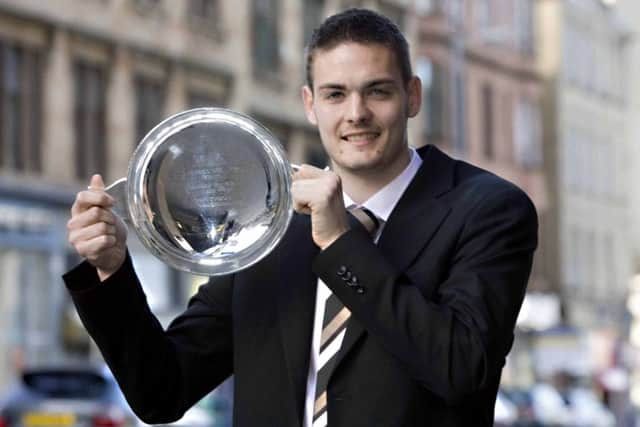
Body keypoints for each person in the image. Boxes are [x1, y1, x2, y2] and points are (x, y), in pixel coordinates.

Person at [64, 8, 538, 427]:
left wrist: (339, 243)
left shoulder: (488, 210)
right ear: (310, 104)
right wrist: (111, 269)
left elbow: (460, 369)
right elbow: (161, 392)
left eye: (377, 91)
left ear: (413, 96)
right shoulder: (266, 226)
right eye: (335, 94)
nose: (356, 114)